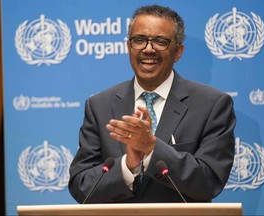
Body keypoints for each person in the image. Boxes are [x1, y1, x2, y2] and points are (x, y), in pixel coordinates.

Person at [69, 4, 236, 203]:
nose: (148, 49)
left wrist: (152, 148)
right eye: (139, 40)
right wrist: (127, 166)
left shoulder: (212, 104)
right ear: (129, 47)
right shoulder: (99, 105)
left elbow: (209, 181)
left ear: (178, 51)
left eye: (160, 41)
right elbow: (81, 186)